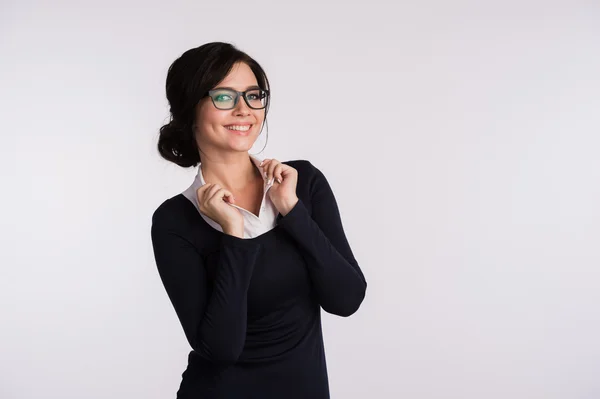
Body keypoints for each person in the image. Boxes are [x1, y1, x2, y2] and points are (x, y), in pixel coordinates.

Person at [150, 42, 367, 399]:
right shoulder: (175, 221)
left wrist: (293, 213)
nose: (244, 110)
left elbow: (346, 299)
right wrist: (233, 235)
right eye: (224, 97)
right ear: (191, 109)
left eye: (254, 95)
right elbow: (221, 349)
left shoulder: (302, 183)